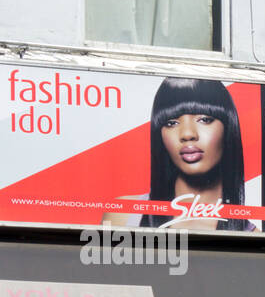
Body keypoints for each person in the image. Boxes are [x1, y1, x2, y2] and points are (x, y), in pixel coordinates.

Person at [105, 77, 254, 232]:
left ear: (228, 128)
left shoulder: (254, 236)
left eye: (204, 119)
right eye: (171, 123)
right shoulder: (122, 214)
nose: (187, 134)